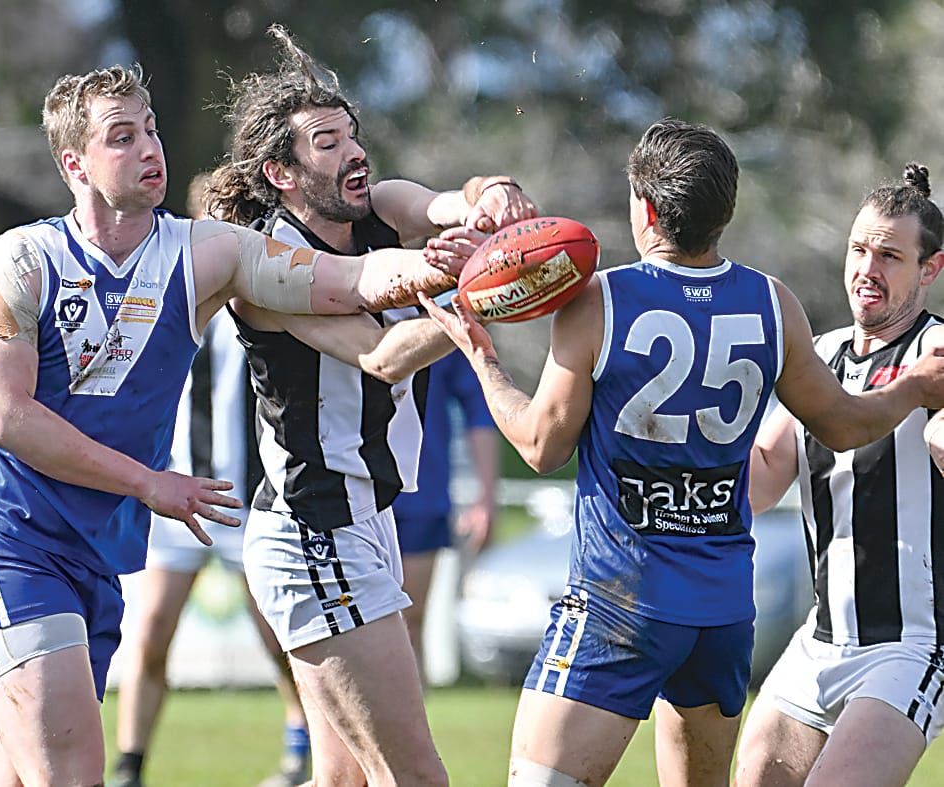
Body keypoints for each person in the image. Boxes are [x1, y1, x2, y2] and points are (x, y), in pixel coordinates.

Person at [0, 63, 472, 786]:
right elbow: (4, 417)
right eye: (121, 137)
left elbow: (349, 282)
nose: (149, 148)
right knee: (69, 769)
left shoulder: (206, 252)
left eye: (149, 129)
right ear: (74, 163)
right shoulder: (20, 262)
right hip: (7, 541)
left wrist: (450, 268)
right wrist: (148, 483)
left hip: (93, 556)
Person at [419, 119, 944, 787]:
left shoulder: (599, 301)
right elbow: (838, 425)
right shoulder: (772, 304)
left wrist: (483, 358)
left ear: (644, 209)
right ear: (725, 210)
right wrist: (913, 392)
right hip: (723, 612)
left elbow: (539, 443)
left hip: (620, 597)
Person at [205, 24, 538, 786]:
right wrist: (469, 307)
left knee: (344, 778)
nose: (354, 152)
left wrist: (492, 197)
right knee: (414, 776)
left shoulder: (381, 206)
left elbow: (450, 203)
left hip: (365, 519)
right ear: (279, 173)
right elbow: (382, 356)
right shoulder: (269, 267)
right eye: (327, 143)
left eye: (353, 136)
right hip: (313, 526)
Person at [734, 164, 944, 787]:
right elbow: (765, 476)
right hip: (820, 640)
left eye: (890, 255)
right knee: (752, 777)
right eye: (859, 249)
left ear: (930, 269)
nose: (867, 269)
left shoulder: (937, 355)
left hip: (911, 643)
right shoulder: (818, 355)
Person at [109, 174, 310, 787]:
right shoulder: (169, 295)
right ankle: (129, 765)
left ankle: (301, 750)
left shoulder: (265, 296)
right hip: (176, 496)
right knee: (147, 637)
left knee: (281, 638)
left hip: (249, 500)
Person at [391, 351, 498, 683]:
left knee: (405, 624)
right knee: (343, 631)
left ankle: (404, 734)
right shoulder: (334, 305)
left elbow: (479, 408)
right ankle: (308, 731)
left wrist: (486, 496)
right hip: (340, 494)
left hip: (419, 497)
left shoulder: (439, 314)